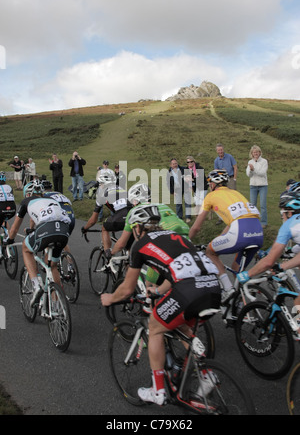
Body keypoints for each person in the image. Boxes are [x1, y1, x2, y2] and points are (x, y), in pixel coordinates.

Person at [101, 203, 221, 405]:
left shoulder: (140, 245)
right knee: (181, 324)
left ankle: (157, 391)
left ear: (138, 227)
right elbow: (177, 271)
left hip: (189, 290)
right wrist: (157, 291)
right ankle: (206, 373)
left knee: (155, 327)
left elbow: (128, 288)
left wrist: (110, 298)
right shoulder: (178, 238)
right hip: (212, 288)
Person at [189, 169, 263, 303]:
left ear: (213, 184)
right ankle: (244, 307)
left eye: (210, 183)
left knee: (210, 252)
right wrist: (218, 239)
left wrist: (187, 242)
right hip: (258, 231)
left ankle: (228, 289)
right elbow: (233, 222)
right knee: (237, 269)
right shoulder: (236, 193)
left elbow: (196, 227)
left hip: (240, 231)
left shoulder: (210, 197)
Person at [3, 179, 71, 307]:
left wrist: (9, 240)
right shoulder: (52, 200)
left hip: (47, 228)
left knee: (26, 248)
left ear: (28, 194)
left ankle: (36, 285)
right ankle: (57, 304)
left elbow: (15, 229)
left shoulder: (26, 202)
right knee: (52, 266)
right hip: (63, 231)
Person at [237, 189, 300, 309]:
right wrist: (283, 265)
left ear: (290, 213)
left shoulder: (289, 225)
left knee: (298, 304)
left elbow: (269, 261)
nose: (282, 217)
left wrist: (247, 274)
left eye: (282, 213)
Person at [81, 173, 132, 258]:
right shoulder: (121, 189)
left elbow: (93, 220)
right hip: (132, 216)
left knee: (104, 228)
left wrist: (85, 228)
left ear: (102, 184)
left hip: (120, 215)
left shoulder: (101, 194)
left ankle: (108, 253)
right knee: (129, 252)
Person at [246, 145, 268, 228]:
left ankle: (264, 222)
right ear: (252, 153)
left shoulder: (264, 161)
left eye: (257, 152)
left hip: (263, 186)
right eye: (254, 152)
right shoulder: (250, 162)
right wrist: (251, 170)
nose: (256, 153)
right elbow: (248, 175)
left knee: (263, 205)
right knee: (252, 204)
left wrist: (253, 169)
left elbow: (262, 173)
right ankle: (253, 221)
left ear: (260, 152)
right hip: (253, 186)